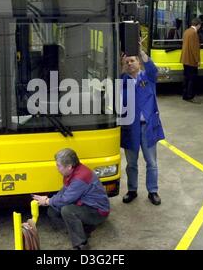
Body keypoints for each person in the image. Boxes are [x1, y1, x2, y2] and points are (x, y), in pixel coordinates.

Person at [32, 148, 110, 250]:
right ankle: (84, 227)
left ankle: (82, 244)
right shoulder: (73, 171)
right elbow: (64, 191)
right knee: (53, 211)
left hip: (97, 211)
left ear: (69, 166)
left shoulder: (80, 178)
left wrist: (47, 201)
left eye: (58, 165)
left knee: (67, 211)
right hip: (85, 205)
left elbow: (65, 199)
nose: (57, 168)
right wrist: (49, 200)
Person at [120, 44, 165, 206]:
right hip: (130, 127)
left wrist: (140, 51)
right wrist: (120, 67)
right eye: (127, 62)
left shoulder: (148, 77)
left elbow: (153, 69)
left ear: (139, 62)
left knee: (151, 162)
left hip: (148, 126)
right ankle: (132, 190)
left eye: (132, 61)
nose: (129, 63)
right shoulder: (121, 80)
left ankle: (152, 191)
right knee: (131, 163)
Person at [180, 18, 202, 103]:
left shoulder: (186, 31)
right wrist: (198, 60)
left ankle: (185, 95)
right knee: (192, 79)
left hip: (185, 59)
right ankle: (190, 96)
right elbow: (195, 48)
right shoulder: (194, 33)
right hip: (191, 60)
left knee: (186, 78)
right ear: (198, 25)